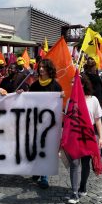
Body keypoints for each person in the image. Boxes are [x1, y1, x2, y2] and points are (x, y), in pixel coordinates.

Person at [67, 74, 102, 204]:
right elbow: (68, 121)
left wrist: (100, 137)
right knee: (74, 164)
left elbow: (98, 120)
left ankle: (83, 186)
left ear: (82, 84)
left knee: (85, 164)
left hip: (88, 136)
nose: (71, 85)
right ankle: (74, 192)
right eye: (71, 83)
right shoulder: (70, 101)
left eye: (74, 82)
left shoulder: (93, 100)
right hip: (74, 137)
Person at [29, 59, 62, 189]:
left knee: (47, 148)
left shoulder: (56, 86)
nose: (41, 69)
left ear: (49, 69)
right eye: (40, 67)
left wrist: (61, 97)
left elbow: (59, 105)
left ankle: (44, 176)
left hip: (50, 123)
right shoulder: (35, 85)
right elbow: (28, 101)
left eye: (43, 67)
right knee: (37, 148)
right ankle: (38, 170)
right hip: (36, 121)